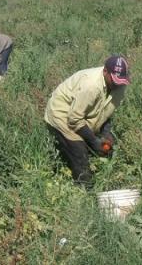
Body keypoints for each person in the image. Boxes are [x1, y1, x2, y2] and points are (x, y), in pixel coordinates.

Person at [44, 55, 131, 186]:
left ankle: (101, 175)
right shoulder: (91, 85)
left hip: (82, 113)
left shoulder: (120, 84)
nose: (117, 84)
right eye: (114, 81)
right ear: (105, 71)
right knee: (79, 152)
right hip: (63, 113)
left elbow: (106, 110)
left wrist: (106, 132)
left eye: (120, 81)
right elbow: (74, 119)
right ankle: (84, 192)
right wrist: (94, 141)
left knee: (107, 147)